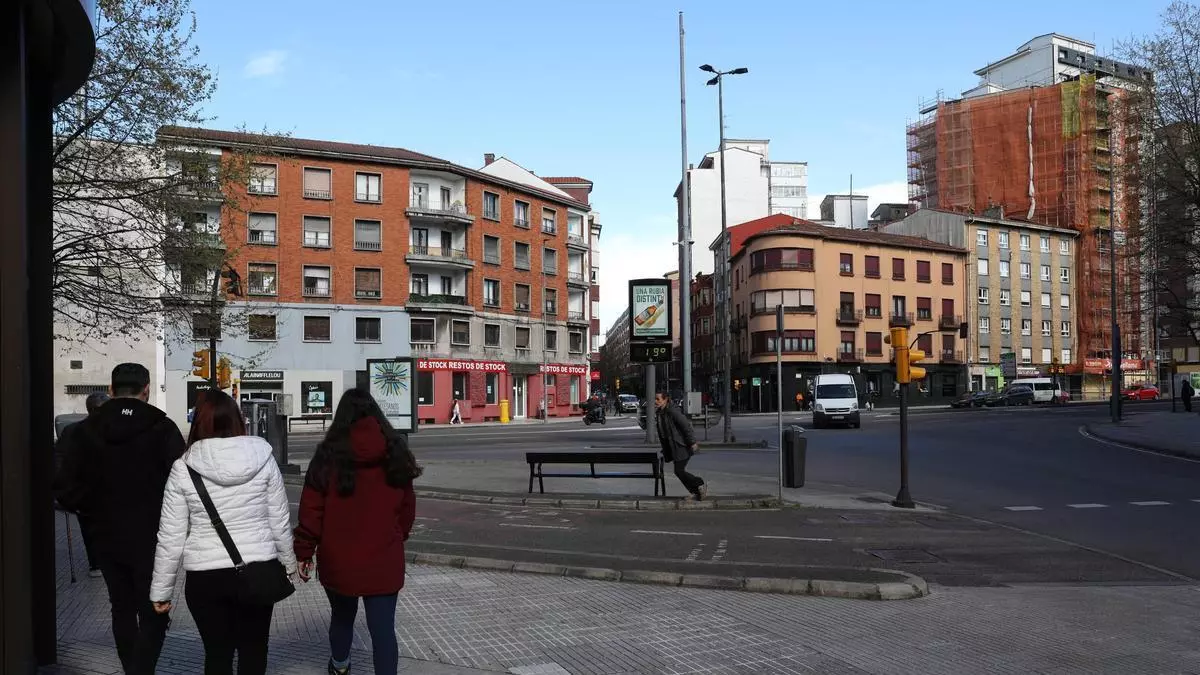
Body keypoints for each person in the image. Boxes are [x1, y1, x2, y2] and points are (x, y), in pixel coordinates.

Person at [150, 389, 296, 675]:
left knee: (217, 654)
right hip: (258, 571)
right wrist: (289, 565)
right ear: (238, 420)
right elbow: (279, 520)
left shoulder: (183, 467)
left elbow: (170, 536)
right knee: (255, 651)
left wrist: (161, 590)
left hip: (205, 578)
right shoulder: (263, 458)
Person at [55, 363, 185, 675]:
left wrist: (88, 507)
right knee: (153, 606)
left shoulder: (82, 431)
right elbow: (181, 485)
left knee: (121, 606)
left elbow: (63, 486)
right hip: (152, 533)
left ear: (111, 390)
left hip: (104, 532)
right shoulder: (163, 428)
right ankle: (143, 668)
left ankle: (132, 668)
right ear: (147, 390)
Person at [294, 388, 421, 675]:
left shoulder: (327, 455)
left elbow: (312, 510)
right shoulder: (395, 451)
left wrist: (304, 551)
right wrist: (396, 537)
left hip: (338, 558)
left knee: (341, 618)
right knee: (383, 630)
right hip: (384, 557)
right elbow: (407, 508)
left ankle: (340, 667)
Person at [54, 391, 110, 578]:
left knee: (96, 528)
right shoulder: (74, 432)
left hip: (99, 490)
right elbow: (59, 461)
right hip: (89, 491)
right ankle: (96, 563)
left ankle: (99, 562)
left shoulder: (74, 431)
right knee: (91, 528)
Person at [653, 391, 707, 501]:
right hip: (673, 447)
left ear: (665, 399)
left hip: (681, 445)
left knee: (679, 471)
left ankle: (699, 483)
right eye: (655, 399)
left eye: (658, 399)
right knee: (679, 471)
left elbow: (685, 426)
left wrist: (692, 442)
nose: (655, 401)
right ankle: (695, 491)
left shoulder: (673, 411)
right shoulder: (660, 413)